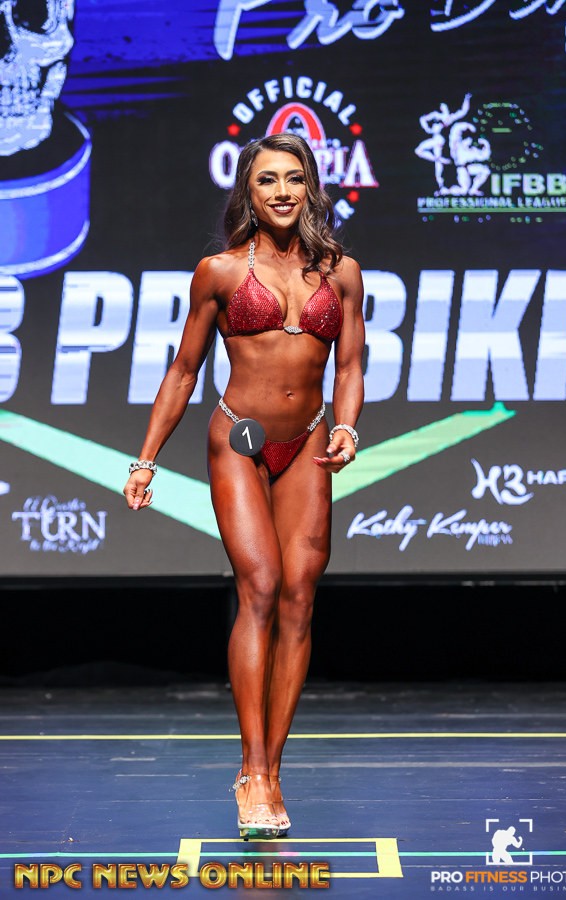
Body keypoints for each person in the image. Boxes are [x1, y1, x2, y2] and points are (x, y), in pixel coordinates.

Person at [123, 133, 365, 839]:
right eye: (267, 180)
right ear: (248, 194)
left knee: (300, 599)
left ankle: (274, 770)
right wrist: (145, 460)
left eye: (294, 178)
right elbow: (183, 370)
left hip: (309, 440)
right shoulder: (220, 272)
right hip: (239, 440)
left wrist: (347, 427)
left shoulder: (343, 274)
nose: (282, 191)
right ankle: (252, 770)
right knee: (259, 586)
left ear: (310, 186)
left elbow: (351, 365)